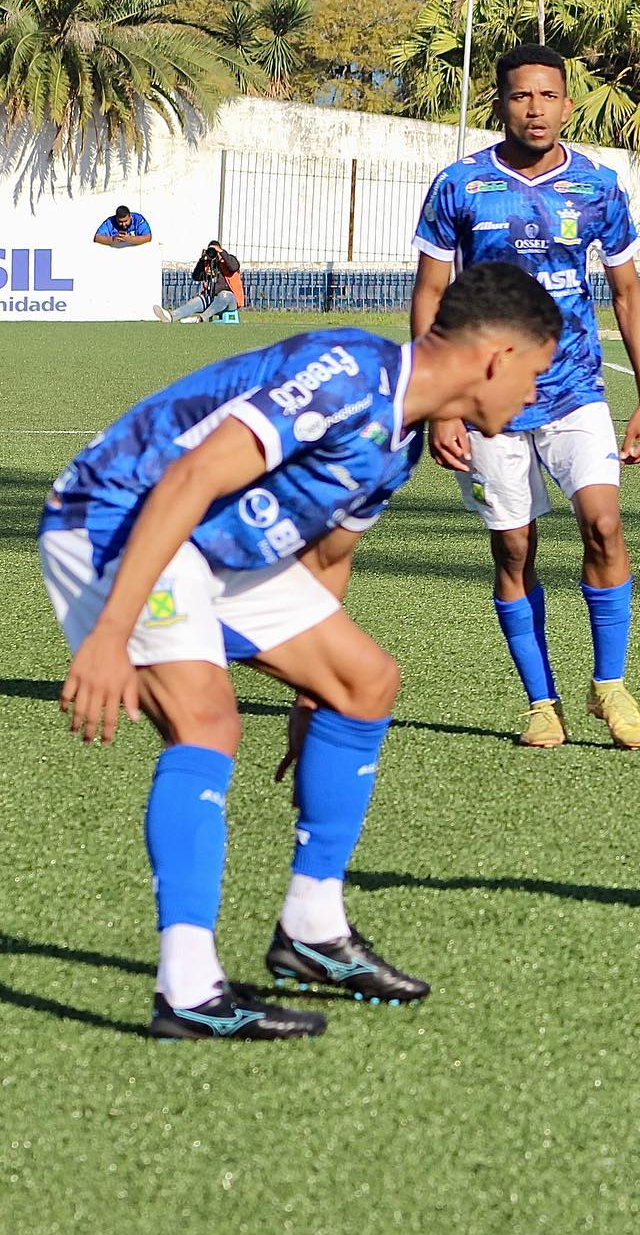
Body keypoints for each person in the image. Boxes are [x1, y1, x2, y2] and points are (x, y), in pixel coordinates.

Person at [39, 262, 560, 1040]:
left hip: (213, 548)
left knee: (364, 681)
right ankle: (187, 990)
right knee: (207, 724)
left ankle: (312, 933)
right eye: (536, 375)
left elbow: (325, 557)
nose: (533, 397)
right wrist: (112, 631)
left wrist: (309, 693)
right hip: (121, 518)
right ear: (498, 359)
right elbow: (189, 477)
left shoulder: (401, 443)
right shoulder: (347, 373)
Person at [412, 44, 640, 751]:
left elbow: (627, 291)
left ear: (567, 105)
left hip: (576, 387)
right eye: (521, 96)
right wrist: (441, 403)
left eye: (547, 96)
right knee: (514, 550)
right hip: (486, 399)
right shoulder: (458, 185)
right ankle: (541, 701)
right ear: (500, 103)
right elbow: (430, 296)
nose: (535, 109)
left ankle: (608, 686)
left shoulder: (599, 186)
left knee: (604, 525)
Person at [154, 242, 246, 323]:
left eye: (214, 251)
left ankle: (200, 318)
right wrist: (202, 260)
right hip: (211, 299)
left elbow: (234, 267)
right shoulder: (208, 265)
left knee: (224, 295)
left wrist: (222, 252)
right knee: (195, 302)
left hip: (230, 300)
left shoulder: (227, 261)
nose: (212, 253)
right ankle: (171, 316)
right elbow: (196, 277)